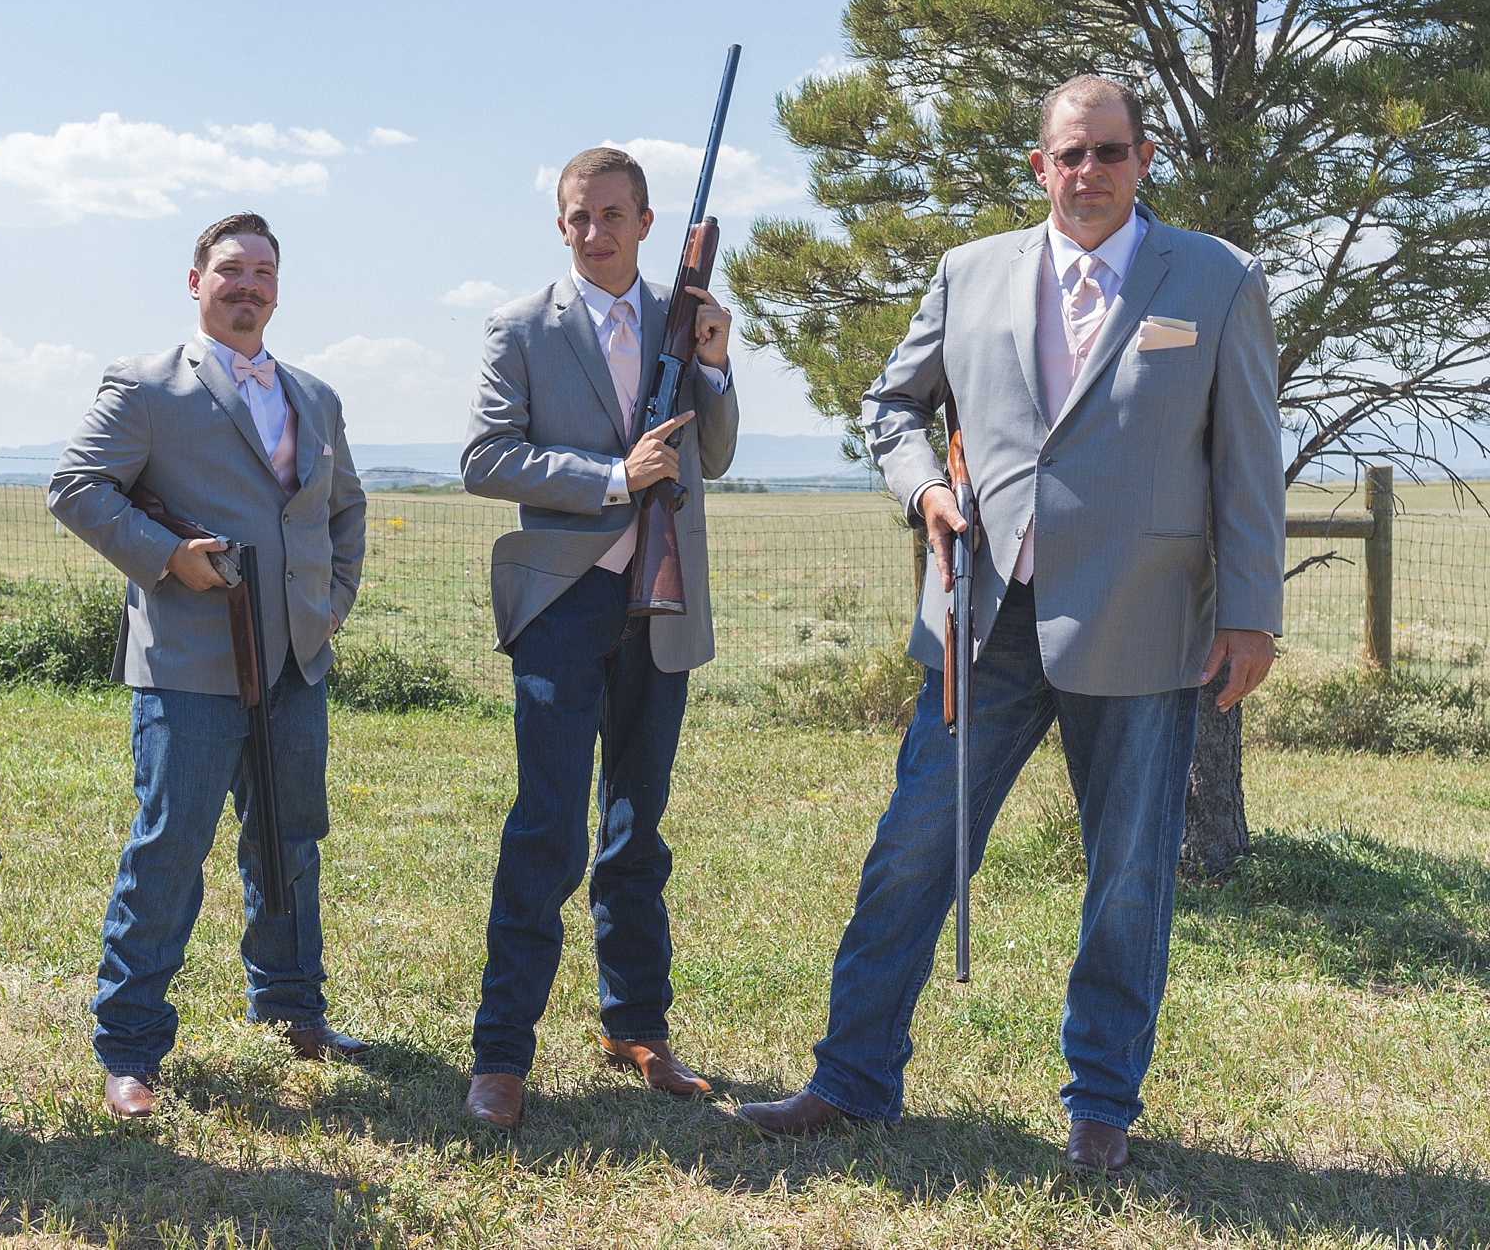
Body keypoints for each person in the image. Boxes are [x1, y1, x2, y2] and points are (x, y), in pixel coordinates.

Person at [737, 75, 1283, 1171]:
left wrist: (1250, 611)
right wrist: (920, 493)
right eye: (1068, 155)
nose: (1087, 173)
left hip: (1141, 622)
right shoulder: (966, 272)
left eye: (1109, 153)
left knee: (1126, 875)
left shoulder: (1216, 279)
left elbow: (1246, 458)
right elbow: (890, 407)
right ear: (1038, 165)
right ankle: (849, 1078)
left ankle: (1099, 1105)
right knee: (908, 851)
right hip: (978, 618)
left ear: (1141, 163)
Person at [50, 212, 368, 1120]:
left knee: (290, 841)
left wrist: (331, 603)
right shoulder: (147, 386)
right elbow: (75, 487)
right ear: (196, 283)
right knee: (170, 849)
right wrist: (165, 555)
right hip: (189, 662)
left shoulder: (315, 393)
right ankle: (131, 1045)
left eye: (263, 272)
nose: (247, 286)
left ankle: (293, 1008)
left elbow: (345, 508)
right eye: (230, 270)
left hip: (295, 664)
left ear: (279, 288)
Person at [457, 147, 740, 1131]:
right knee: (545, 827)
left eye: (611, 215)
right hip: (562, 603)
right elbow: (486, 457)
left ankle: (636, 1025)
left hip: (659, 599)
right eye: (578, 217)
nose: (594, 232)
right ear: (561, 223)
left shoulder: (677, 317)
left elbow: (712, 452)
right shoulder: (521, 327)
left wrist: (712, 361)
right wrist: (612, 477)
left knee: (636, 831)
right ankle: (500, 1053)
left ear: (646, 222)